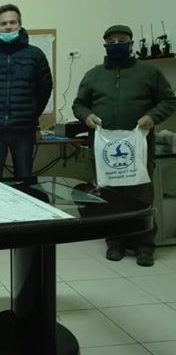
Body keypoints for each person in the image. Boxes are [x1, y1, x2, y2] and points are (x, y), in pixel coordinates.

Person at [73, 24, 176, 266]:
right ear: (105, 46)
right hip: (104, 151)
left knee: (141, 196)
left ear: (131, 44)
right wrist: (87, 116)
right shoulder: (93, 75)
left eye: (122, 40)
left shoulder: (149, 72)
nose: (116, 44)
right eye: (112, 42)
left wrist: (153, 117)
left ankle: (144, 245)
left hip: (138, 148)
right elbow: (79, 104)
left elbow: (169, 100)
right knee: (110, 197)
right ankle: (115, 242)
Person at [0, 4, 53, 179]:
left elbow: (45, 88)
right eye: (3, 23)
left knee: (24, 181)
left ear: (20, 25)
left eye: (12, 22)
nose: (8, 26)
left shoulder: (35, 55)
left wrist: (32, 112)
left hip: (23, 130)